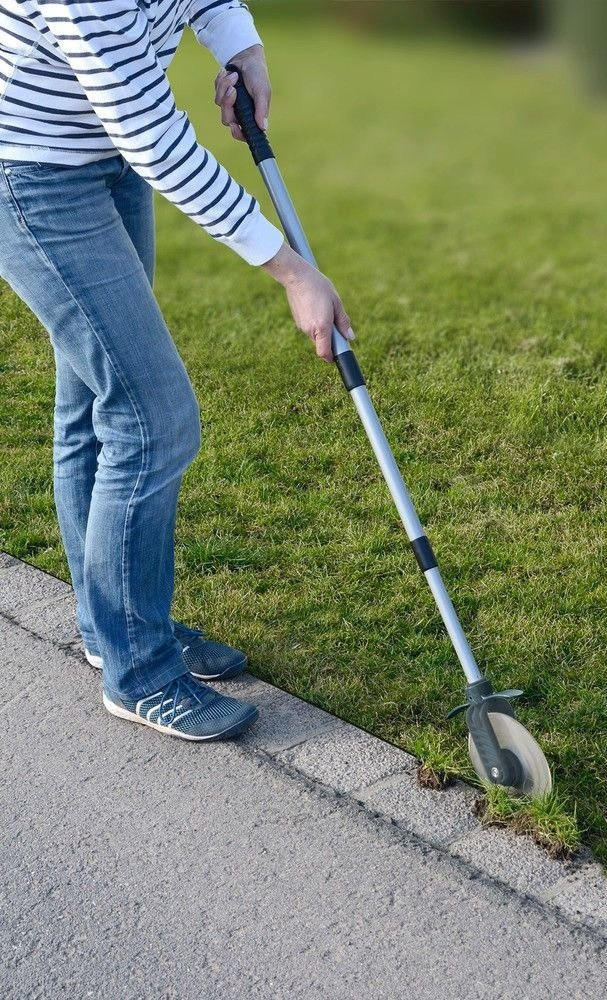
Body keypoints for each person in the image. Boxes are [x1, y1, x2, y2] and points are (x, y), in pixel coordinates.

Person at [0, 1, 354, 741]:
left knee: (92, 399)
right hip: (31, 174)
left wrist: (242, 47)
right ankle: (141, 672)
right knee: (150, 415)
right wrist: (291, 272)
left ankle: (116, 626)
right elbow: (154, 137)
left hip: (104, 158)